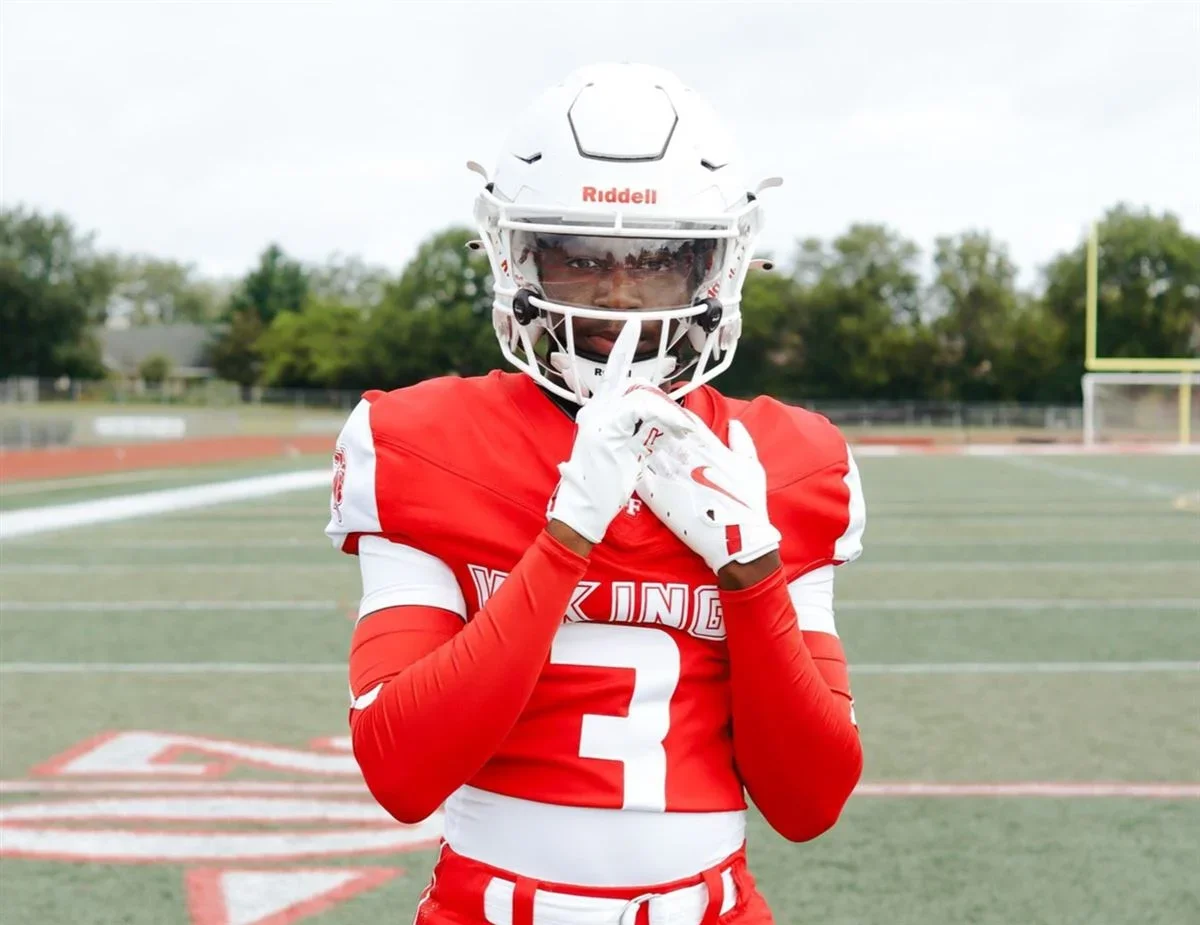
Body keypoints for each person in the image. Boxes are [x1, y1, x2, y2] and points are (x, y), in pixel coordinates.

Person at [326, 62, 866, 925]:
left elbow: (809, 801)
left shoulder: (786, 461)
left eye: (656, 260)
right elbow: (400, 768)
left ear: (717, 266)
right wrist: (565, 539)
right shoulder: (427, 442)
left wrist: (753, 572)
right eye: (579, 256)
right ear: (513, 254)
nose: (617, 295)